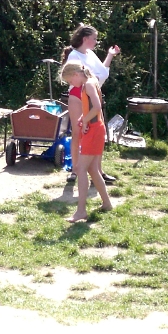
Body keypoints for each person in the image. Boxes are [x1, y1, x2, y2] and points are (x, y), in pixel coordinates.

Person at [61, 24, 120, 184]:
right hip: (78, 96)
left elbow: (102, 73)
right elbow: (81, 78)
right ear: (85, 38)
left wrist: (110, 55)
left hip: (92, 95)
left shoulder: (91, 54)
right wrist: (93, 81)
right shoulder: (74, 55)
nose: (96, 41)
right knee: (78, 133)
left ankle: (98, 172)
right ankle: (75, 170)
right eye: (94, 38)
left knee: (97, 134)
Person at [60, 61, 113, 223]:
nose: (71, 84)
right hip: (95, 128)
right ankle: (107, 204)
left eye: (71, 80)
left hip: (94, 130)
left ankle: (81, 211)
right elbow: (90, 107)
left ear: (76, 74)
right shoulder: (89, 82)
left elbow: (97, 107)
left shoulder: (89, 84)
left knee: (80, 169)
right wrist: (84, 117)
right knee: (92, 169)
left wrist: (85, 121)